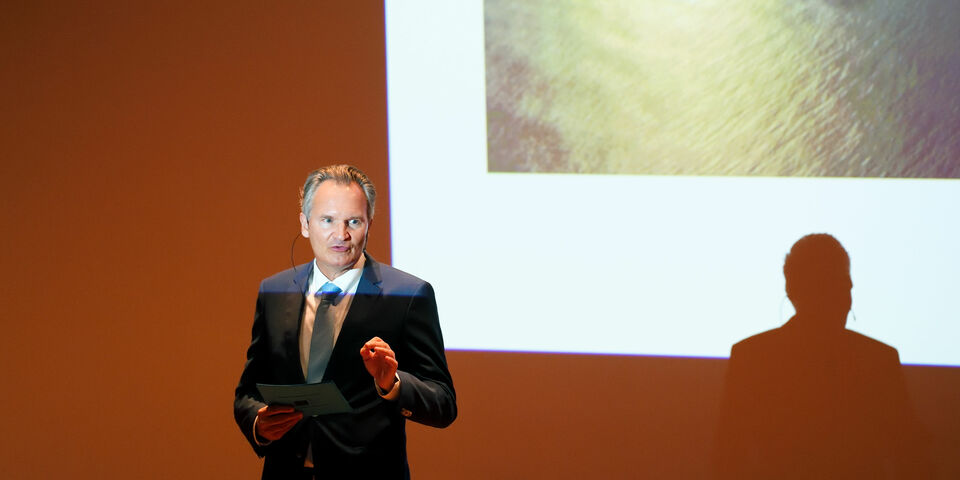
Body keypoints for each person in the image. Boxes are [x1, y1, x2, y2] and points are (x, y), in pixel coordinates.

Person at [234, 165, 457, 479]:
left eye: (354, 221)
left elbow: (443, 404)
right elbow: (247, 392)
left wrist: (392, 384)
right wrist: (258, 422)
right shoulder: (275, 291)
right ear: (305, 224)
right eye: (328, 220)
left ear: (369, 224)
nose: (341, 235)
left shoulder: (408, 295)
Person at [714, 233, 929, 479]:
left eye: (844, 287)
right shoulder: (879, 360)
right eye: (831, 286)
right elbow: (911, 457)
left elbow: (728, 459)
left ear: (790, 289)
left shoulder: (751, 357)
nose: (843, 299)